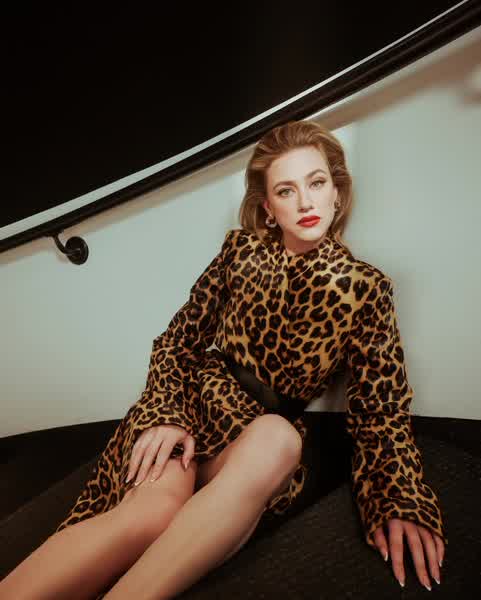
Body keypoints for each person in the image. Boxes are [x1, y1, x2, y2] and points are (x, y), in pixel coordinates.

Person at [0, 119, 447, 598]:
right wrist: (165, 414)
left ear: (337, 193)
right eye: (286, 190)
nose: (305, 202)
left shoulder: (366, 289)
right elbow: (178, 341)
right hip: (192, 406)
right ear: (269, 208)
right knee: (151, 512)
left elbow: (380, 408)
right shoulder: (240, 253)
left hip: (256, 437)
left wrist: (398, 498)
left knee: (279, 438)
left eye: (317, 183)